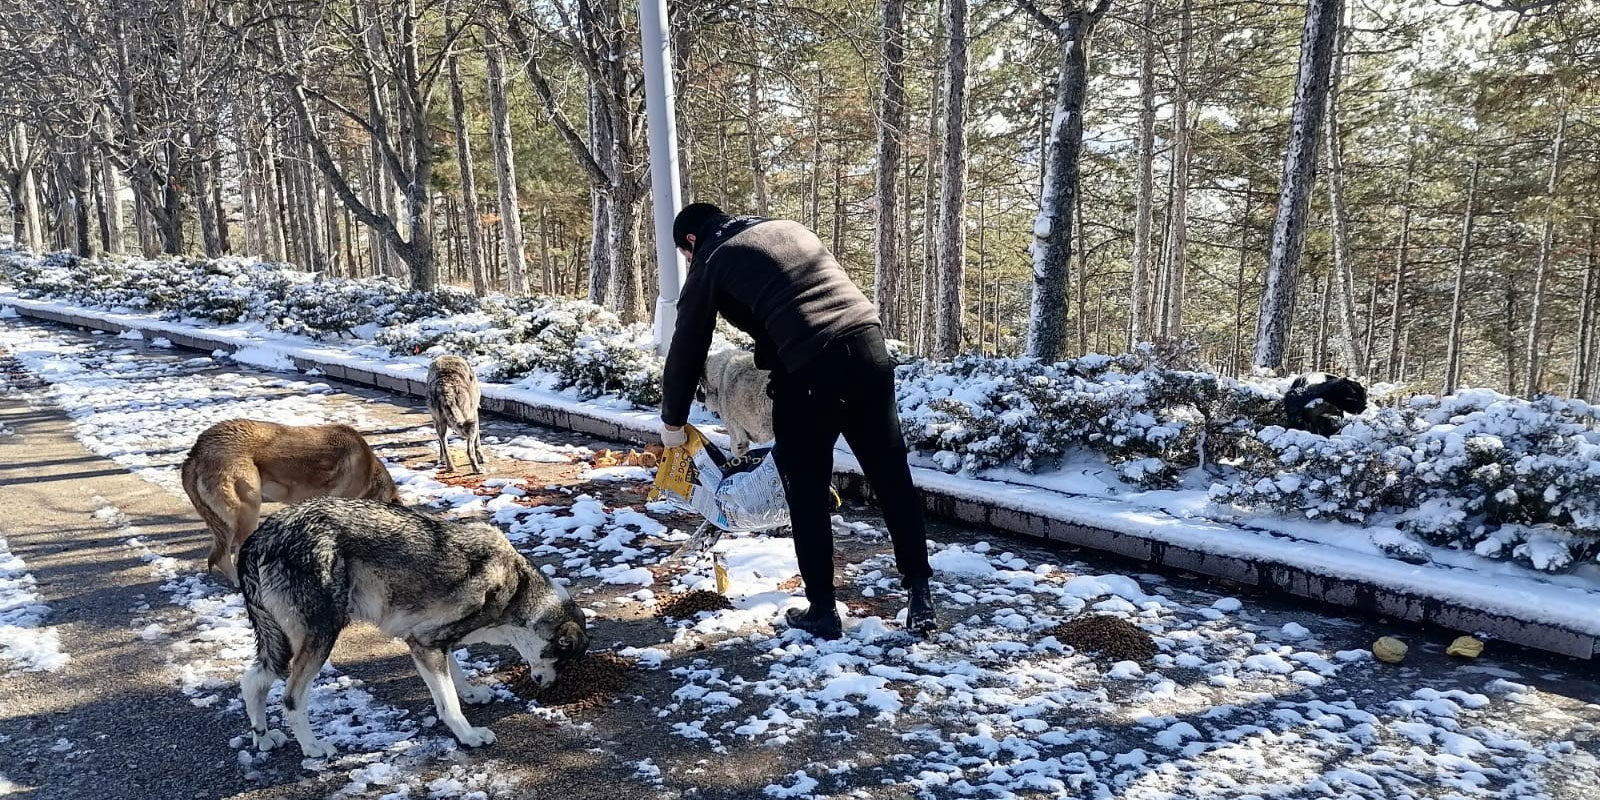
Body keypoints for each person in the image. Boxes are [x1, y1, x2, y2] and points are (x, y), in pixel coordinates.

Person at [658, 203, 936, 640]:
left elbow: (688, 345)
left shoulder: (712, 255)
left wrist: (672, 422)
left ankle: (822, 610)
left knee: (805, 487)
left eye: (685, 256)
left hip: (810, 368)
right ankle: (920, 593)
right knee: (890, 474)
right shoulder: (782, 227)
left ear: (690, 241)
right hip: (868, 345)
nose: (689, 264)